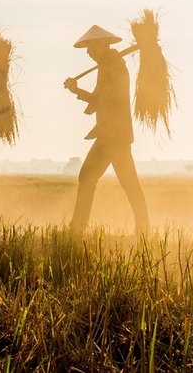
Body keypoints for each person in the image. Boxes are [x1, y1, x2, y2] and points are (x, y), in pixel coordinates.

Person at [64, 24, 150, 234]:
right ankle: (143, 229)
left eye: (91, 47)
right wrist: (78, 91)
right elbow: (98, 101)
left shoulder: (114, 66)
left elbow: (103, 100)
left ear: (102, 45)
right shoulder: (108, 65)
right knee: (127, 183)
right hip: (112, 134)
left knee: (90, 178)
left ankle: (77, 228)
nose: (89, 52)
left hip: (113, 135)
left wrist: (76, 90)